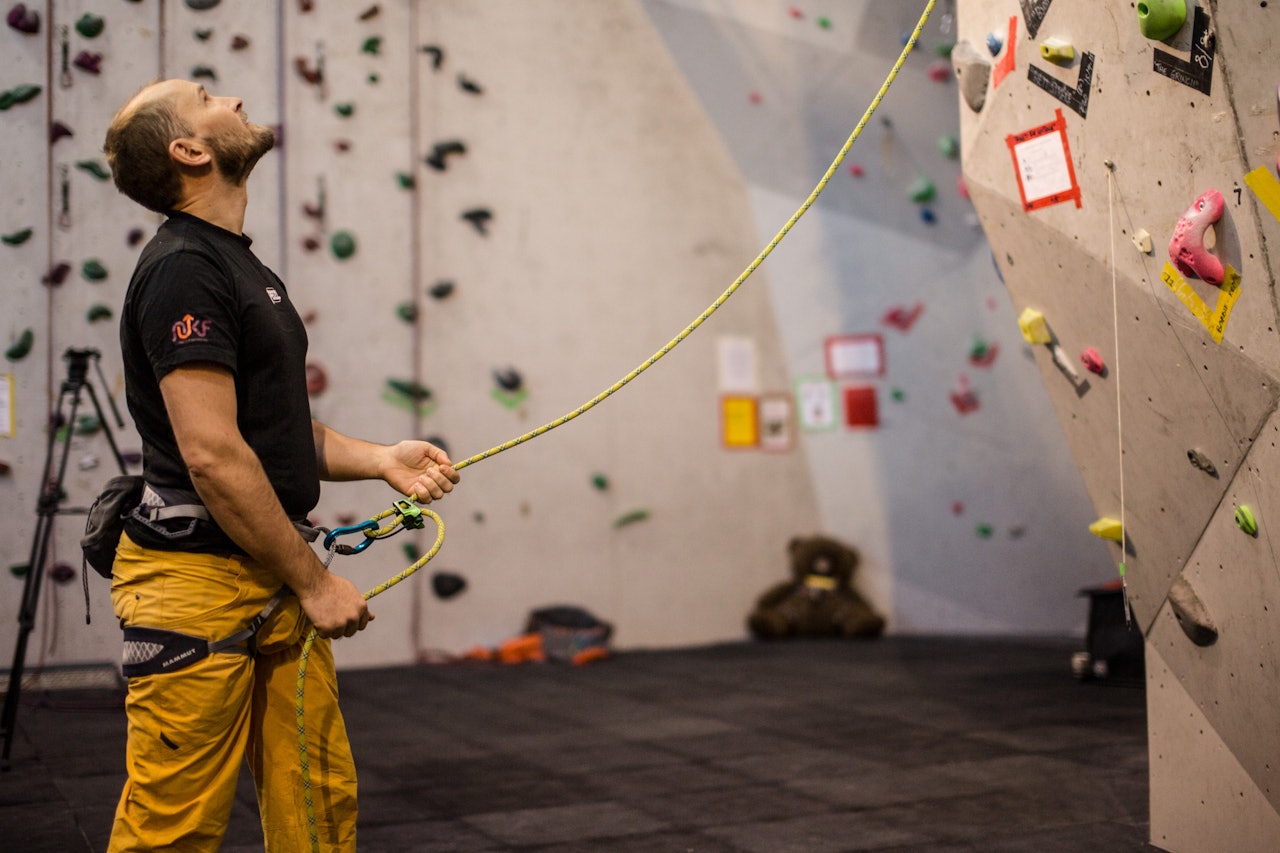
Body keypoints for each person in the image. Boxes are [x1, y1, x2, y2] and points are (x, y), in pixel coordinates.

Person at [101, 78, 459, 851]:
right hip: (196, 584)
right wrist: (314, 579)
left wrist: (381, 460)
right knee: (173, 828)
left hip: (264, 566)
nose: (230, 98)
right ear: (190, 151)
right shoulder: (183, 268)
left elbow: (269, 434)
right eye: (206, 98)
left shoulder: (238, 266)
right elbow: (212, 453)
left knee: (318, 805)